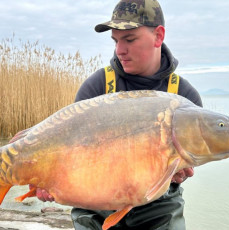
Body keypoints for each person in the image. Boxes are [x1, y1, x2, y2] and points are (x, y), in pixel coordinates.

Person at [36, 0, 202, 229]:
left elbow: (189, 164)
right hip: (95, 203)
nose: (119, 50)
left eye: (129, 40)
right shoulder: (97, 87)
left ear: (158, 36)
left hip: (158, 207)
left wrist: (179, 171)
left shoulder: (184, 98)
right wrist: (51, 180)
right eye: (116, 41)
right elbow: (69, 153)